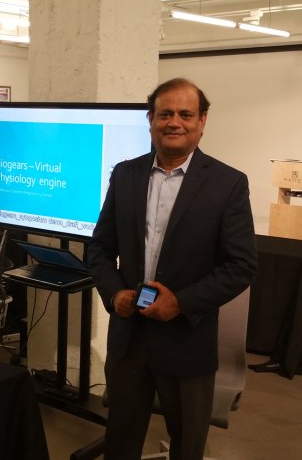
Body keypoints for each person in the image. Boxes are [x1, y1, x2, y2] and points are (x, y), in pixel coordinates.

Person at [87, 78, 257, 459]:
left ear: (202, 121)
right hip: (129, 337)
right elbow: (100, 247)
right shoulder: (126, 174)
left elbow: (241, 265)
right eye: (165, 114)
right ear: (151, 120)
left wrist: (180, 303)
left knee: (187, 446)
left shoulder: (228, 184)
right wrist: (114, 293)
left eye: (185, 114)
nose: (174, 122)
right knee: (121, 441)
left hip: (187, 339)